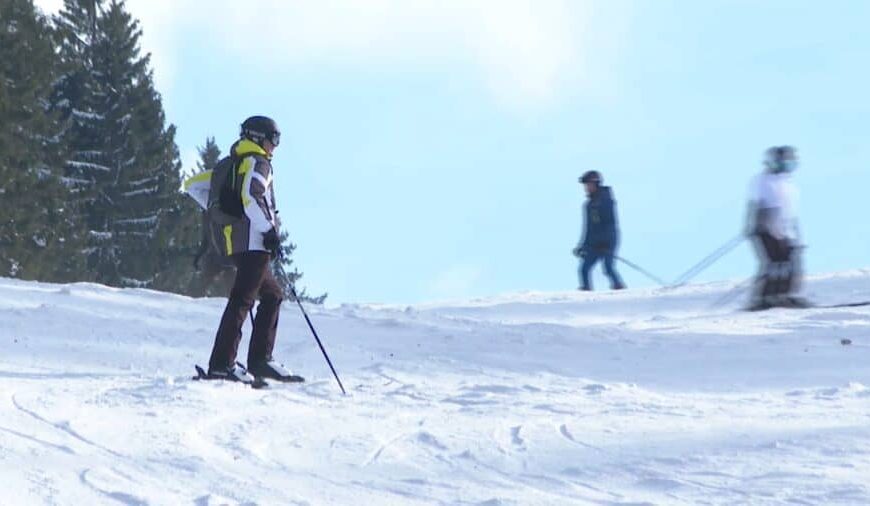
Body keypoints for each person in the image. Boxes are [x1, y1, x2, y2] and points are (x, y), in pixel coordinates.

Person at [204, 116, 299, 382]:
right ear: (258, 138)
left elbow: (200, 188)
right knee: (242, 300)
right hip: (253, 242)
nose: (275, 146)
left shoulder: (237, 162)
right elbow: (252, 196)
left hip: (237, 241)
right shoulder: (258, 163)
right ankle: (223, 364)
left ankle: (259, 361)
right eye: (273, 139)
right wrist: (268, 231)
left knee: (272, 295)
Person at [746, 146, 807, 310]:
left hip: (786, 230)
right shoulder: (763, 180)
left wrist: (796, 236)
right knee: (775, 264)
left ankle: (785, 295)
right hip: (767, 229)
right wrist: (763, 227)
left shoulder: (788, 183)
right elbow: (760, 205)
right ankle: (765, 297)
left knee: (791, 264)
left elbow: (791, 212)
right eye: (784, 161)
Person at [573, 170, 626, 291]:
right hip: (594, 243)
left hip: (608, 241)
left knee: (608, 268)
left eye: (588, 185)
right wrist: (583, 246)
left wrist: (606, 243)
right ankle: (586, 291)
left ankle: (619, 289)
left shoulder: (606, 200)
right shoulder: (588, 205)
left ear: (596, 184)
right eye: (585, 185)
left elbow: (610, 223)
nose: (586, 188)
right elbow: (588, 228)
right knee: (584, 269)